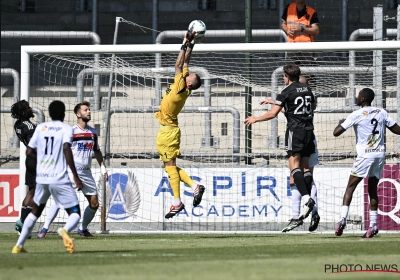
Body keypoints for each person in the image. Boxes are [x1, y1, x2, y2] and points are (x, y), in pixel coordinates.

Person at [244, 64, 317, 221]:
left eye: (283, 76)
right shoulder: (307, 89)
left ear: (287, 77)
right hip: (309, 131)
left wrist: (255, 118)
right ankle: (308, 198)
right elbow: (311, 107)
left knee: (294, 167)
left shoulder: (286, 92)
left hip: (295, 132)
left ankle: (306, 199)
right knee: (306, 168)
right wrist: (275, 102)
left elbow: (272, 114)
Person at [12, 100, 83, 254]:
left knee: (35, 212)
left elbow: (29, 152)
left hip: (42, 176)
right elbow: (66, 148)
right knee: (75, 213)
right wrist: (76, 176)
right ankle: (64, 230)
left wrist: (43, 157)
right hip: (58, 177)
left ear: (49, 114)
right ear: (64, 113)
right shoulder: (66, 128)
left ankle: (18, 246)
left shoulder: (41, 128)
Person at [333, 88, 400, 238]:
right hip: (379, 155)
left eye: (358, 96)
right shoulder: (381, 112)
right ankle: (373, 226)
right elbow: (396, 129)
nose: (356, 98)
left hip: (365, 156)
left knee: (350, 187)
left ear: (362, 98)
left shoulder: (356, 114)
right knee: (372, 189)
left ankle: (343, 219)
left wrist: (340, 123)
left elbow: (336, 133)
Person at [37, 101, 108, 238]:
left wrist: (103, 168)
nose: (89, 112)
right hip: (71, 171)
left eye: (89, 109)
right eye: (86, 110)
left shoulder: (93, 132)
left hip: (86, 172)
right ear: (78, 114)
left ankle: (82, 228)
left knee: (94, 203)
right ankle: (44, 229)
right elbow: (64, 150)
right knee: (60, 201)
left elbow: (97, 151)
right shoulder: (71, 131)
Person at [258, 75, 320, 232]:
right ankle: (304, 214)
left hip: (298, 135)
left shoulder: (291, 91)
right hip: (309, 136)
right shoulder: (307, 92)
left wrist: (272, 108)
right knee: (302, 175)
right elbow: (301, 108)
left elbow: (286, 112)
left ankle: (309, 210)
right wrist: (276, 103)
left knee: (297, 175)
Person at [154, 29, 205, 219]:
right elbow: (184, 63)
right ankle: (194, 186)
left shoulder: (181, 87)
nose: (187, 74)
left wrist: (185, 44)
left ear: (189, 84)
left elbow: (179, 63)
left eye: (189, 77)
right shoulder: (181, 83)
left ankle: (177, 202)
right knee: (170, 166)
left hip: (168, 131)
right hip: (169, 130)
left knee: (169, 167)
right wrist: (189, 43)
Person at [11, 100, 37, 237]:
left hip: (30, 161)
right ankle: (24, 222)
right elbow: (34, 145)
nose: (31, 109)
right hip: (36, 159)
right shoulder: (28, 126)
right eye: (28, 108)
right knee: (38, 193)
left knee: (32, 191)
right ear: (22, 112)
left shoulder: (17, 125)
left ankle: (22, 222)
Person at [281, 0, 320, 86]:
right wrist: (287, 30)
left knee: (309, 74)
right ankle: (291, 92)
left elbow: (316, 30)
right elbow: (283, 24)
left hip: (307, 48)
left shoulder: (311, 11)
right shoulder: (288, 8)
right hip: (292, 47)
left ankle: (311, 93)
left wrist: (302, 29)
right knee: (290, 72)